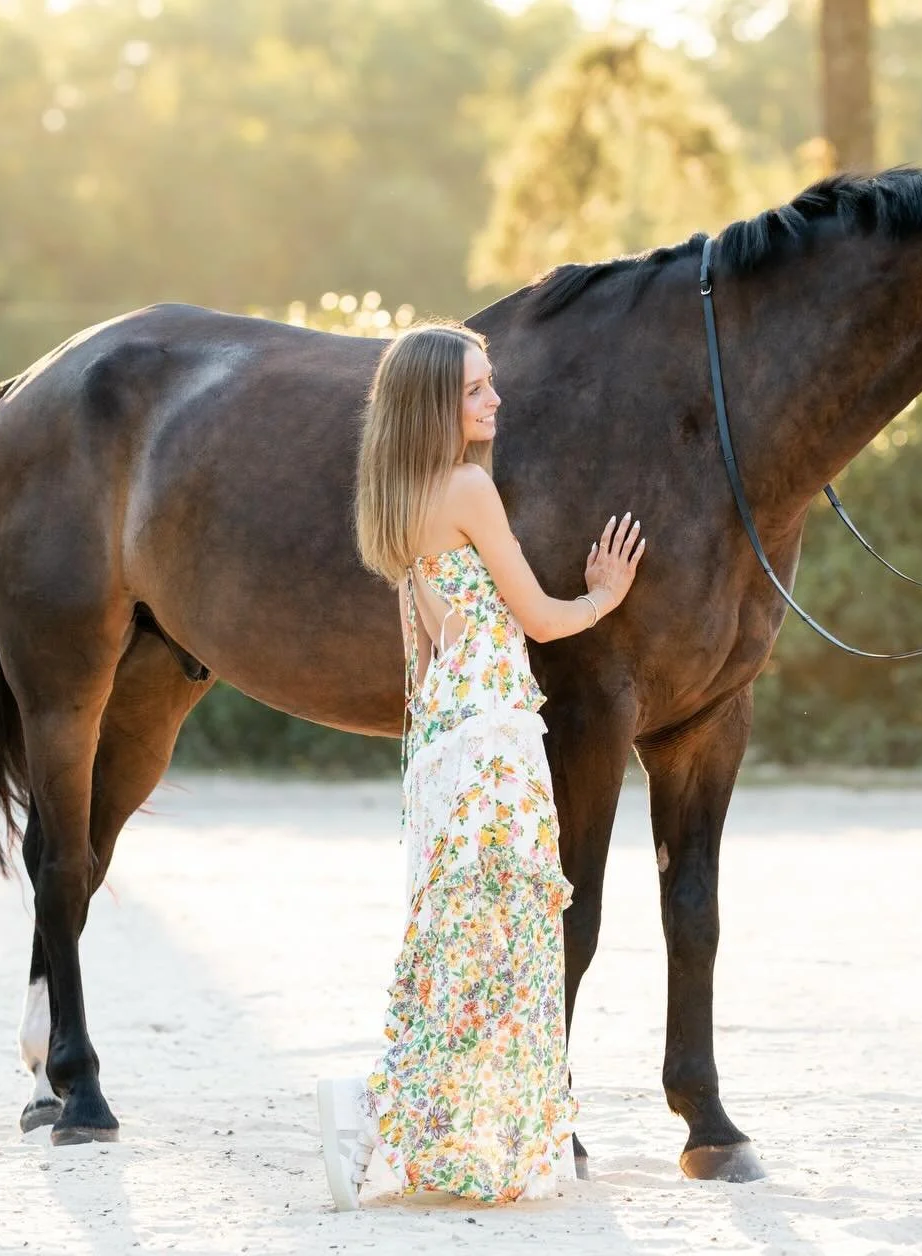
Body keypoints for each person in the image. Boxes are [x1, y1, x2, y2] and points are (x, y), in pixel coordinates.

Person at [317, 322, 645, 1209]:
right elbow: (538, 617)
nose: (494, 398)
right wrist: (603, 596)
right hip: (493, 735)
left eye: (489, 381)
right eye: (474, 388)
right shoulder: (466, 487)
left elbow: (422, 652)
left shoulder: (398, 500)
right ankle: (385, 1116)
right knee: (506, 936)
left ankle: (420, 1127)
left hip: (443, 738)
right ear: (435, 404)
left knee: (457, 935)